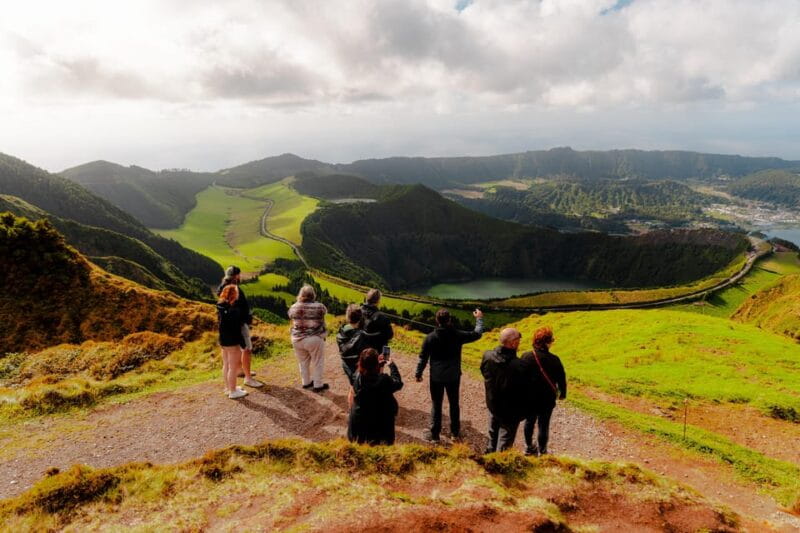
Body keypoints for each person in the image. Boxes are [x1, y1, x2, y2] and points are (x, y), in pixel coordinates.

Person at [415, 308, 484, 443]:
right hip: (453, 375)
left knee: (436, 404)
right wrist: (479, 319)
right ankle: (455, 433)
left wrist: (418, 373)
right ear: (449, 320)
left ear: (437, 321)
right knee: (454, 403)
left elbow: (423, 358)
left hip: (436, 376)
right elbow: (477, 334)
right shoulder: (457, 335)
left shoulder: (430, 338)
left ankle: (435, 436)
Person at [520, 326, 567, 456]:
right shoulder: (555, 359)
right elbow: (561, 379)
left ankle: (529, 447)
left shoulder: (526, 356)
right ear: (547, 342)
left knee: (529, 421)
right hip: (547, 398)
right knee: (543, 425)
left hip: (529, 398)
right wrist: (562, 394)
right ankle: (543, 450)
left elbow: (520, 377)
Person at [480, 327, 525, 453]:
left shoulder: (487, 356)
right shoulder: (519, 365)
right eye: (518, 340)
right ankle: (500, 465)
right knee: (505, 441)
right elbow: (524, 389)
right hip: (510, 410)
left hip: (492, 403)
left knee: (492, 434)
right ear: (513, 343)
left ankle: (488, 459)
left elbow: (484, 372)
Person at [218, 266, 263, 389]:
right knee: (246, 349)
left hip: (225, 328)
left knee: (227, 357)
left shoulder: (222, 288)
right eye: (239, 275)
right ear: (235, 275)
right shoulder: (235, 288)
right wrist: (247, 318)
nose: (240, 277)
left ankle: (238, 372)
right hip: (239, 325)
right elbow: (239, 308)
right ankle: (248, 378)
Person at [347, 348, 403, 445]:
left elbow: (368, 372)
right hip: (380, 421)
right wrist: (392, 365)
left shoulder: (356, 376)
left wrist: (378, 365)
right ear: (375, 363)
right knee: (381, 448)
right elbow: (398, 383)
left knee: (360, 447)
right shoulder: (383, 380)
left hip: (359, 421)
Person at [287, 284, 329, 392]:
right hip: (314, 338)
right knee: (317, 361)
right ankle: (318, 385)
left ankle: (305, 382)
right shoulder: (319, 306)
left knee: (303, 361)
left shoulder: (293, 307)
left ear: (301, 295)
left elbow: (290, 315)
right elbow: (324, 312)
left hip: (297, 339)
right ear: (313, 295)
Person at [337, 304, 384, 385]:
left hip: (346, 365)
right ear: (361, 317)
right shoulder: (363, 335)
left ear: (347, 317)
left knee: (353, 385)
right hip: (359, 367)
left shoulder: (342, 331)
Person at [217, 284, 248, 399]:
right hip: (232, 341)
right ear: (233, 295)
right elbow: (236, 329)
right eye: (236, 292)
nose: (238, 294)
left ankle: (228, 387)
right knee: (233, 367)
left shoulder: (221, 306)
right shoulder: (233, 310)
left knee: (226, 365)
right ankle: (233, 391)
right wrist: (242, 343)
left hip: (223, 340)